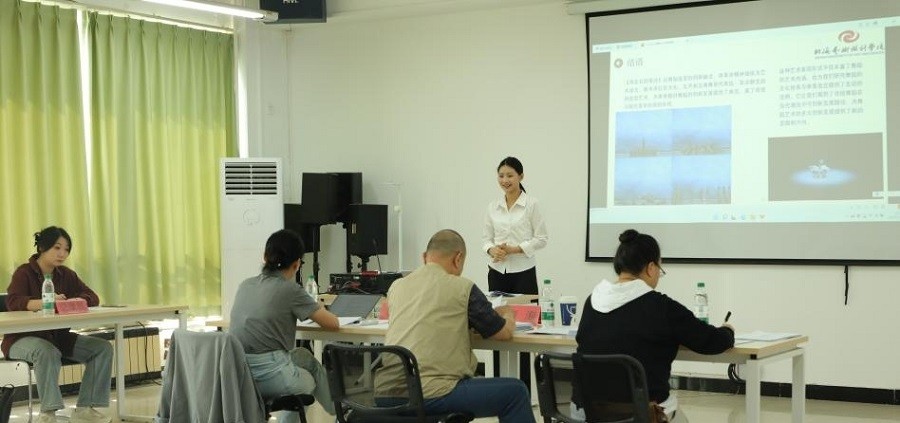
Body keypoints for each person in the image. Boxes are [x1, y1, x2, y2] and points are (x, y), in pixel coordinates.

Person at [574, 229, 735, 422]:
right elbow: (710, 341)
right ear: (651, 268)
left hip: (586, 413)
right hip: (642, 414)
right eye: (660, 269)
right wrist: (728, 331)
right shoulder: (662, 307)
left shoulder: (592, 301)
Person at [375, 229, 535, 423]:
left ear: (425, 257)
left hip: (385, 393)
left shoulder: (397, 286)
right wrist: (508, 314)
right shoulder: (462, 287)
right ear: (458, 258)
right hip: (431, 393)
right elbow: (503, 332)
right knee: (515, 392)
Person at [2, 227, 113, 423]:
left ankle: (85, 410)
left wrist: (74, 301)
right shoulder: (24, 273)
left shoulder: (66, 274)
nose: (62, 253)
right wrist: (47, 302)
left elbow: (92, 297)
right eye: (57, 247)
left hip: (57, 338)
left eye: (66, 249)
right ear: (42, 247)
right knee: (46, 351)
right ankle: (48, 413)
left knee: (102, 348)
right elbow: (14, 302)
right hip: (20, 339)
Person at [228, 229, 338, 423]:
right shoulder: (291, 290)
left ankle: (338, 410)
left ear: (265, 257)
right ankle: (340, 412)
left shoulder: (245, 285)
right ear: (297, 264)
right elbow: (333, 324)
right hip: (271, 376)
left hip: (239, 374)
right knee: (311, 381)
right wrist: (316, 306)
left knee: (304, 357)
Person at [481, 156, 548, 384]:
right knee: (496, 326)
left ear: (521, 176)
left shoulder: (532, 204)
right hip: (497, 272)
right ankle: (498, 384)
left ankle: (527, 386)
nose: (505, 180)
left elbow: (542, 238)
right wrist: (492, 250)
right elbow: (485, 239)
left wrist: (516, 249)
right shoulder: (492, 206)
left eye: (510, 175)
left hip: (523, 272)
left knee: (526, 329)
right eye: (501, 176)